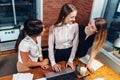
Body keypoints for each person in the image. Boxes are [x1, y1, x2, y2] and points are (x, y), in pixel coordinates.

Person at [48, 3, 79, 72]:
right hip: (58, 54)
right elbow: (50, 47)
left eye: (75, 16)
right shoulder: (53, 28)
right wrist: (53, 63)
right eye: (72, 17)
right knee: (58, 74)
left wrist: (71, 60)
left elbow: (75, 44)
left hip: (71, 53)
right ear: (63, 16)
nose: (74, 19)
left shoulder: (75, 26)